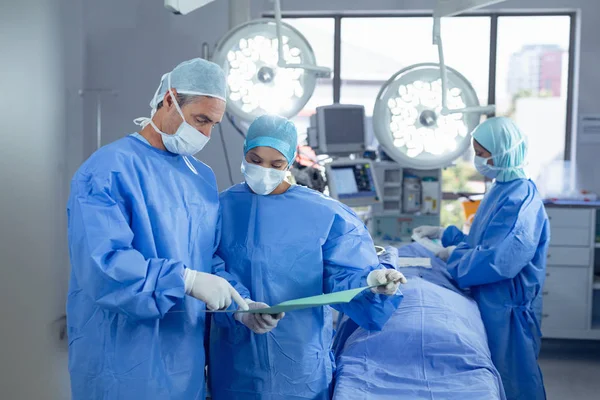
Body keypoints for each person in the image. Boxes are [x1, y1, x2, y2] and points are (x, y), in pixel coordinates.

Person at [66, 58, 251, 400]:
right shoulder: (107, 170)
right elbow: (103, 264)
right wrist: (186, 280)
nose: (206, 134)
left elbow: (207, 258)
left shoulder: (201, 178)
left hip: (186, 362)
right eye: (200, 120)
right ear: (169, 100)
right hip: (123, 360)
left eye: (214, 124)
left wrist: (239, 304)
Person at [208, 114, 406, 400]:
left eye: (276, 164)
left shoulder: (323, 213)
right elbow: (208, 265)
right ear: (244, 153)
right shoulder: (219, 207)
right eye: (255, 159)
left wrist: (371, 280)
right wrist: (241, 306)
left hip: (299, 365)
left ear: (289, 162)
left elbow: (341, 277)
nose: (264, 170)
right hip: (234, 361)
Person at [414, 117, 549, 400]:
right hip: (490, 300)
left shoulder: (521, 199)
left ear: (503, 151)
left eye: (481, 154)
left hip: (507, 309)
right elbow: (482, 243)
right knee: (492, 378)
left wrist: (453, 258)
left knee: (513, 381)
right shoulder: (501, 188)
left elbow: (499, 260)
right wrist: (447, 235)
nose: (477, 160)